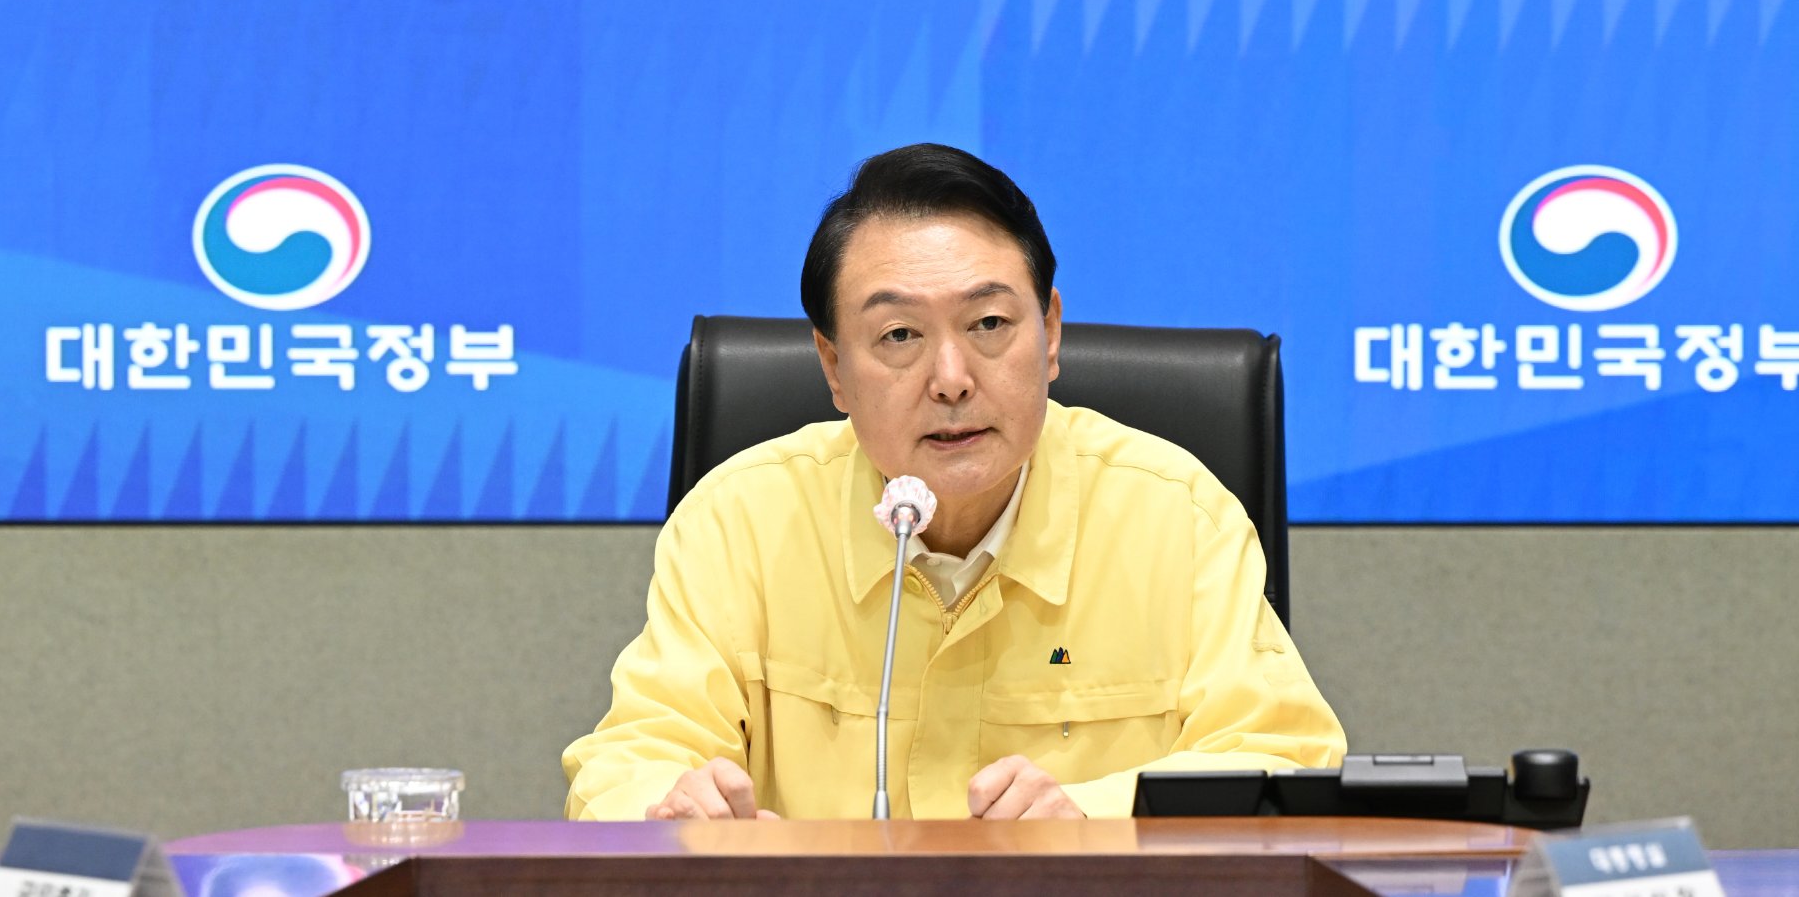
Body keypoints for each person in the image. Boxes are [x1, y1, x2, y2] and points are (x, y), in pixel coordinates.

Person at [563, 143, 1344, 820]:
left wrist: (1093, 817)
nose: (951, 378)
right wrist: (673, 809)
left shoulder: (1177, 520)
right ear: (834, 366)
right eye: (899, 334)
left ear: (1051, 333)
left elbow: (1285, 759)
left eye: (989, 324)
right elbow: (629, 760)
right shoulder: (741, 524)